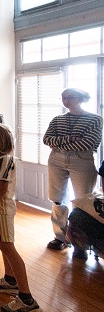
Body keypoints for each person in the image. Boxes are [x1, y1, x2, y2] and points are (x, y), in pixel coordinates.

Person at [0, 124, 44, 312]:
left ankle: (27, 300)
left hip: (1, 209)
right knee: (3, 245)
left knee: (8, 247)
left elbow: (1, 187)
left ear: (5, 141)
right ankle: (10, 280)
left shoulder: (5, 159)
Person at [43, 88, 102, 252]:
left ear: (81, 98)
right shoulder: (57, 120)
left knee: (83, 201)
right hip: (56, 159)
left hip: (82, 160)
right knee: (57, 199)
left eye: (70, 97)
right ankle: (60, 237)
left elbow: (88, 144)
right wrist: (70, 138)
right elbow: (47, 139)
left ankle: (80, 241)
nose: (66, 100)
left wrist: (59, 141)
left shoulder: (95, 119)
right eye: (63, 97)